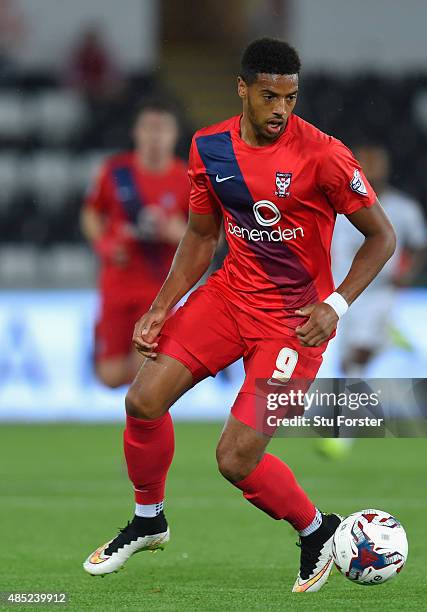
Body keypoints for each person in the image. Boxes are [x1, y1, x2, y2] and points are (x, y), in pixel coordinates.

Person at [83, 38, 396, 592]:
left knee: (235, 459)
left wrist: (335, 303)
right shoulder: (209, 147)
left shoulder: (324, 154)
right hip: (227, 299)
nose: (281, 109)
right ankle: (149, 520)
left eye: (291, 97)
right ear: (243, 90)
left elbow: (381, 237)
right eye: (270, 96)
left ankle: (317, 530)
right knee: (142, 400)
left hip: (295, 323)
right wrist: (162, 306)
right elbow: (202, 237)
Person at [81, 99, 189, 388]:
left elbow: (210, 238)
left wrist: (177, 233)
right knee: (110, 377)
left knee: (146, 374)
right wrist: (104, 244)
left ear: (174, 134)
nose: (155, 136)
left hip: (159, 289)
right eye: (149, 128)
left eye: (162, 129)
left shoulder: (187, 179)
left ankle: (141, 420)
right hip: (117, 282)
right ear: (136, 132)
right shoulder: (115, 172)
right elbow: (91, 213)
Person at [332, 143, 427, 378]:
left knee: (360, 352)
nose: (373, 169)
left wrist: (408, 274)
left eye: (377, 163)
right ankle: (387, 340)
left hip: (380, 289)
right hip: (342, 290)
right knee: (346, 364)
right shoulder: (335, 205)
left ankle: (353, 409)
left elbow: (421, 244)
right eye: (367, 162)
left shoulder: (404, 208)